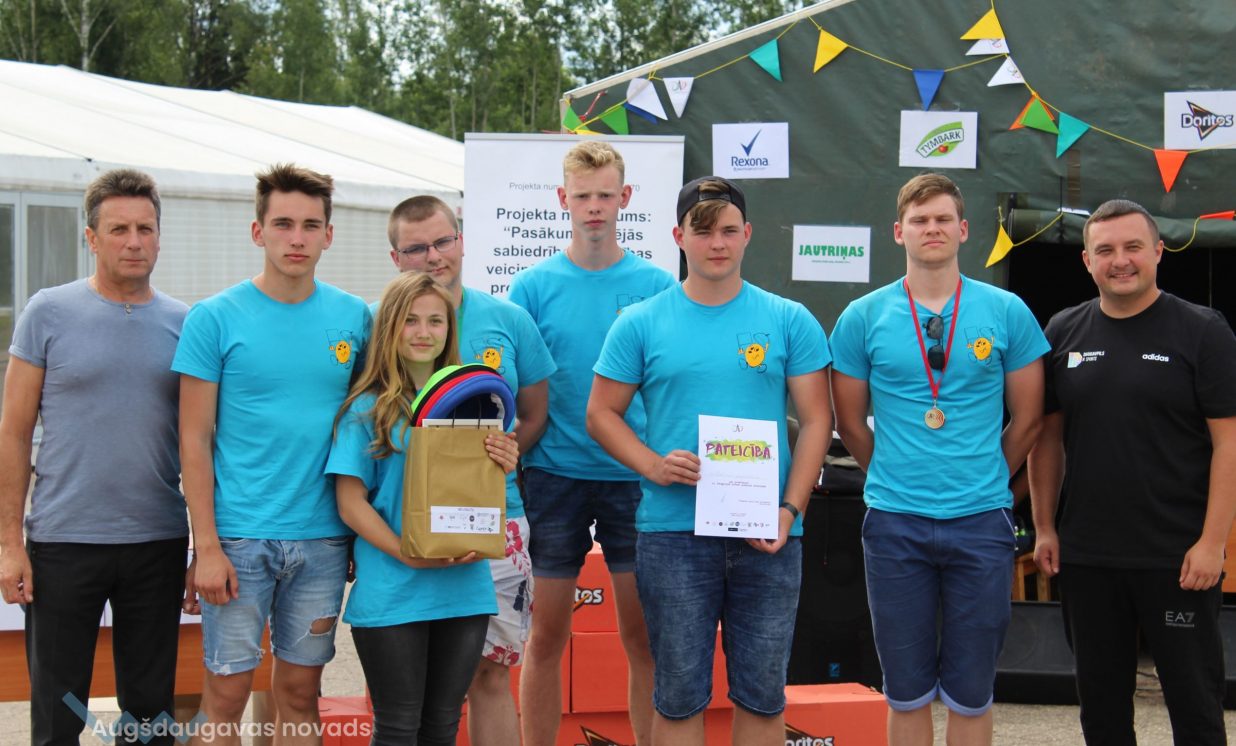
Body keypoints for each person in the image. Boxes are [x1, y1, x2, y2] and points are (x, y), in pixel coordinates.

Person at [587, 177, 832, 745]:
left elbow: (818, 421)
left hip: (767, 534)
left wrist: (789, 511)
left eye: (728, 230)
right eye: (702, 232)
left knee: (763, 695)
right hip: (673, 534)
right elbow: (600, 414)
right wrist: (652, 465)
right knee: (677, 698)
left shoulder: (789, 319)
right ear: (678, 238)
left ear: (748, 234)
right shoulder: (641, 321)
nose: (717, 243)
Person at [830, 173, 1048, 746]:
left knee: (972, 691)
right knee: (905, 689)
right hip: (894, 523)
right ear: (898, 231)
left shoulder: (1006, 310)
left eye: (943, 218)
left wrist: (986, 476)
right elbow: (848, 423)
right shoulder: (862, 317)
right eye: (920, 220)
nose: (932, 228)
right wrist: (893, 474)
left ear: (963, 229)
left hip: (981, 522)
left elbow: (1029, 419)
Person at [173, 163, 371, 744]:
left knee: (300, 695)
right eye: (283, 224)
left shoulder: (355, 318)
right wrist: (206, 548)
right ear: (258, 231)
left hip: (323, 540)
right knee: (225, 697)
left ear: (329, 235)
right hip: (239, 541)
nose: (296, 238)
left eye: (310, 225)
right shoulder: (214, 318)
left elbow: (366, 429)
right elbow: (193, 439)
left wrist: (359, 532)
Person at [1028, 199, 1236, 745]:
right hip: (1088, 559)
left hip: (1178, 558)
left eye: (1133, 247)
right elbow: (1046, 439)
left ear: (1159, 252)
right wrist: (1045, 526)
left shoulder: (1203, 331)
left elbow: (1229, 444)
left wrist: (1213, 543)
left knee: (1196, 708)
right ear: (1087, 261)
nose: (1120, 260)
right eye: (1106, 250)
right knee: (1102, 713)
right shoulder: (1063, 331)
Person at [0, 169, 191, 746]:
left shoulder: (185, 324)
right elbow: (14, 432)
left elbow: (204, 439)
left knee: (150, 717)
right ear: (91, 237)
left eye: (145, 229)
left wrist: (205, 546)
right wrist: (9, 544)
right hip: (63, 542)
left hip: (157, 542)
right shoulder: (47, 312)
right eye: (118, 229)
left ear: (159, 237)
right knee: (58, 717)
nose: (133, 242)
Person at [509, 140, 675, 746]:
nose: (595, 207)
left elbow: (671, 383)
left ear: (625, 197)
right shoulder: (531, 288)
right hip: (554, 476)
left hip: (636, 477)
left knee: (643, 641)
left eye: (606, 194)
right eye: (583, 196)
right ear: (563, 200)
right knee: (545, 639)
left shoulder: (659, 285)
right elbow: (516, 389)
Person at [383, 195, 555, 744]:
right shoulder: (379, 326)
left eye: (442, 241)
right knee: (414, 687)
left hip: (497, 521)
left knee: (489, 674)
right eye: (416, 248)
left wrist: (499, 458)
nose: (433, 256)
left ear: (462, 242)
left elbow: (534, 413)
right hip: (406, 529)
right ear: (395, 258)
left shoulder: (509, 320)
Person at [327, 270, 520, 745]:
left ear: (449, 330)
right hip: (393, 589)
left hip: (465, 586)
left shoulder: (478, 404)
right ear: (389, 327)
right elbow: (350, 504)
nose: (423, 332)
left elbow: (480, 492)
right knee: (397, 728)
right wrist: (406, 553)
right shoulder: (366, 410)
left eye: (436, 321)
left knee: (442, 726)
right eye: (410, 320)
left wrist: (505, 460)